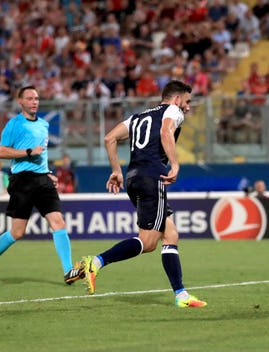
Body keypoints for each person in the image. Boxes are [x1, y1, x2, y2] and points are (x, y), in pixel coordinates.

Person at [79, 80, 206, 308]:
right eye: (187, 102)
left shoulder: (138, 117)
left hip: (133, 178)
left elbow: (109, 138)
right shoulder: (173, 111)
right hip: (152, 177)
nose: (187, 107)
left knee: (171, 235)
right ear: (177, 99)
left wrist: (116, 171)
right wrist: (175, 165)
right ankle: (96, 262)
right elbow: (166, 131)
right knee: (147, 243)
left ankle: (181, 295)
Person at [0, 86, 83, 286]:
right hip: (22, 181)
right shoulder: (14, 124)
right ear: (20, 102)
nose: (34, 102)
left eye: (36, 98)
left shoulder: (44, 124)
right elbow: (1, 152)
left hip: (42, 180)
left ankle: (68, 271)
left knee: (58, 222)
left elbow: (41, 155)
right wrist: (28, 152)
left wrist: (46, 173)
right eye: (30, 98)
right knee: (17, 232)